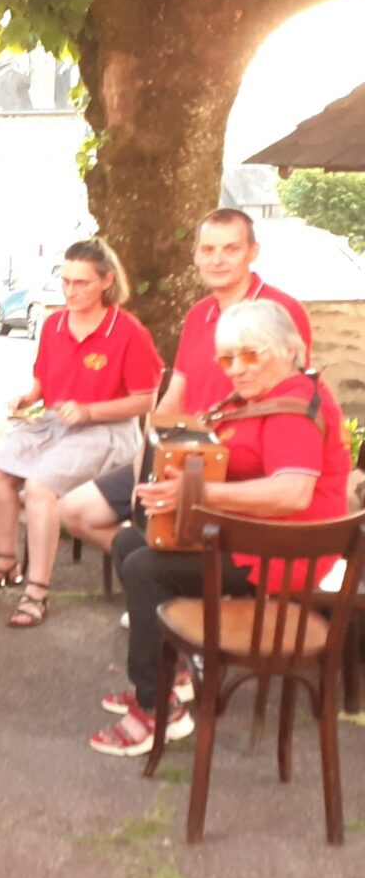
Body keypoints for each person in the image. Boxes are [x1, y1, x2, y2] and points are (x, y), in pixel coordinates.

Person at [91, 301, 349, 756]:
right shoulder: (270, 394)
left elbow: (292, 493)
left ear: (290, 350)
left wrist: (196, 495)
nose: (237, 369)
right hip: (256, 536)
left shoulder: (291, 409)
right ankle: (176, 674)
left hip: (282, 554)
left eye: (252, 355)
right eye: (227, 359)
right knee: (133, 540)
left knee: (146, 567)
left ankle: (157, 710)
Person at [60, 209, 313, 561]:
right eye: (208, 250)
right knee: (75, 511)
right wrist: (146, 464)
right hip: (178, 451)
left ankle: (174, 580)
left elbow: (294, 397)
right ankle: (155, 571)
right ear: (195, 255)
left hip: (238, 463)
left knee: (169, 534)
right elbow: (174, 396)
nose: (218, 260)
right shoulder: (199, 313)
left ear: (253, 252)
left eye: (231, 249)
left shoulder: (280, 310)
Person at [0, 239, 162, 627]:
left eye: (81, 283)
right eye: (66, 281)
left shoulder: (128, 331)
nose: (70, 291)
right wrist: (30, 395)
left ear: (106, 281)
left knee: (40, 486)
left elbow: (146, 401)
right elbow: (45, 378)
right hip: (57, 423)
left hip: (109, 431)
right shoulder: (54, 323)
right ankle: (6, 563)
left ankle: (37, 591)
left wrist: (90, 409)